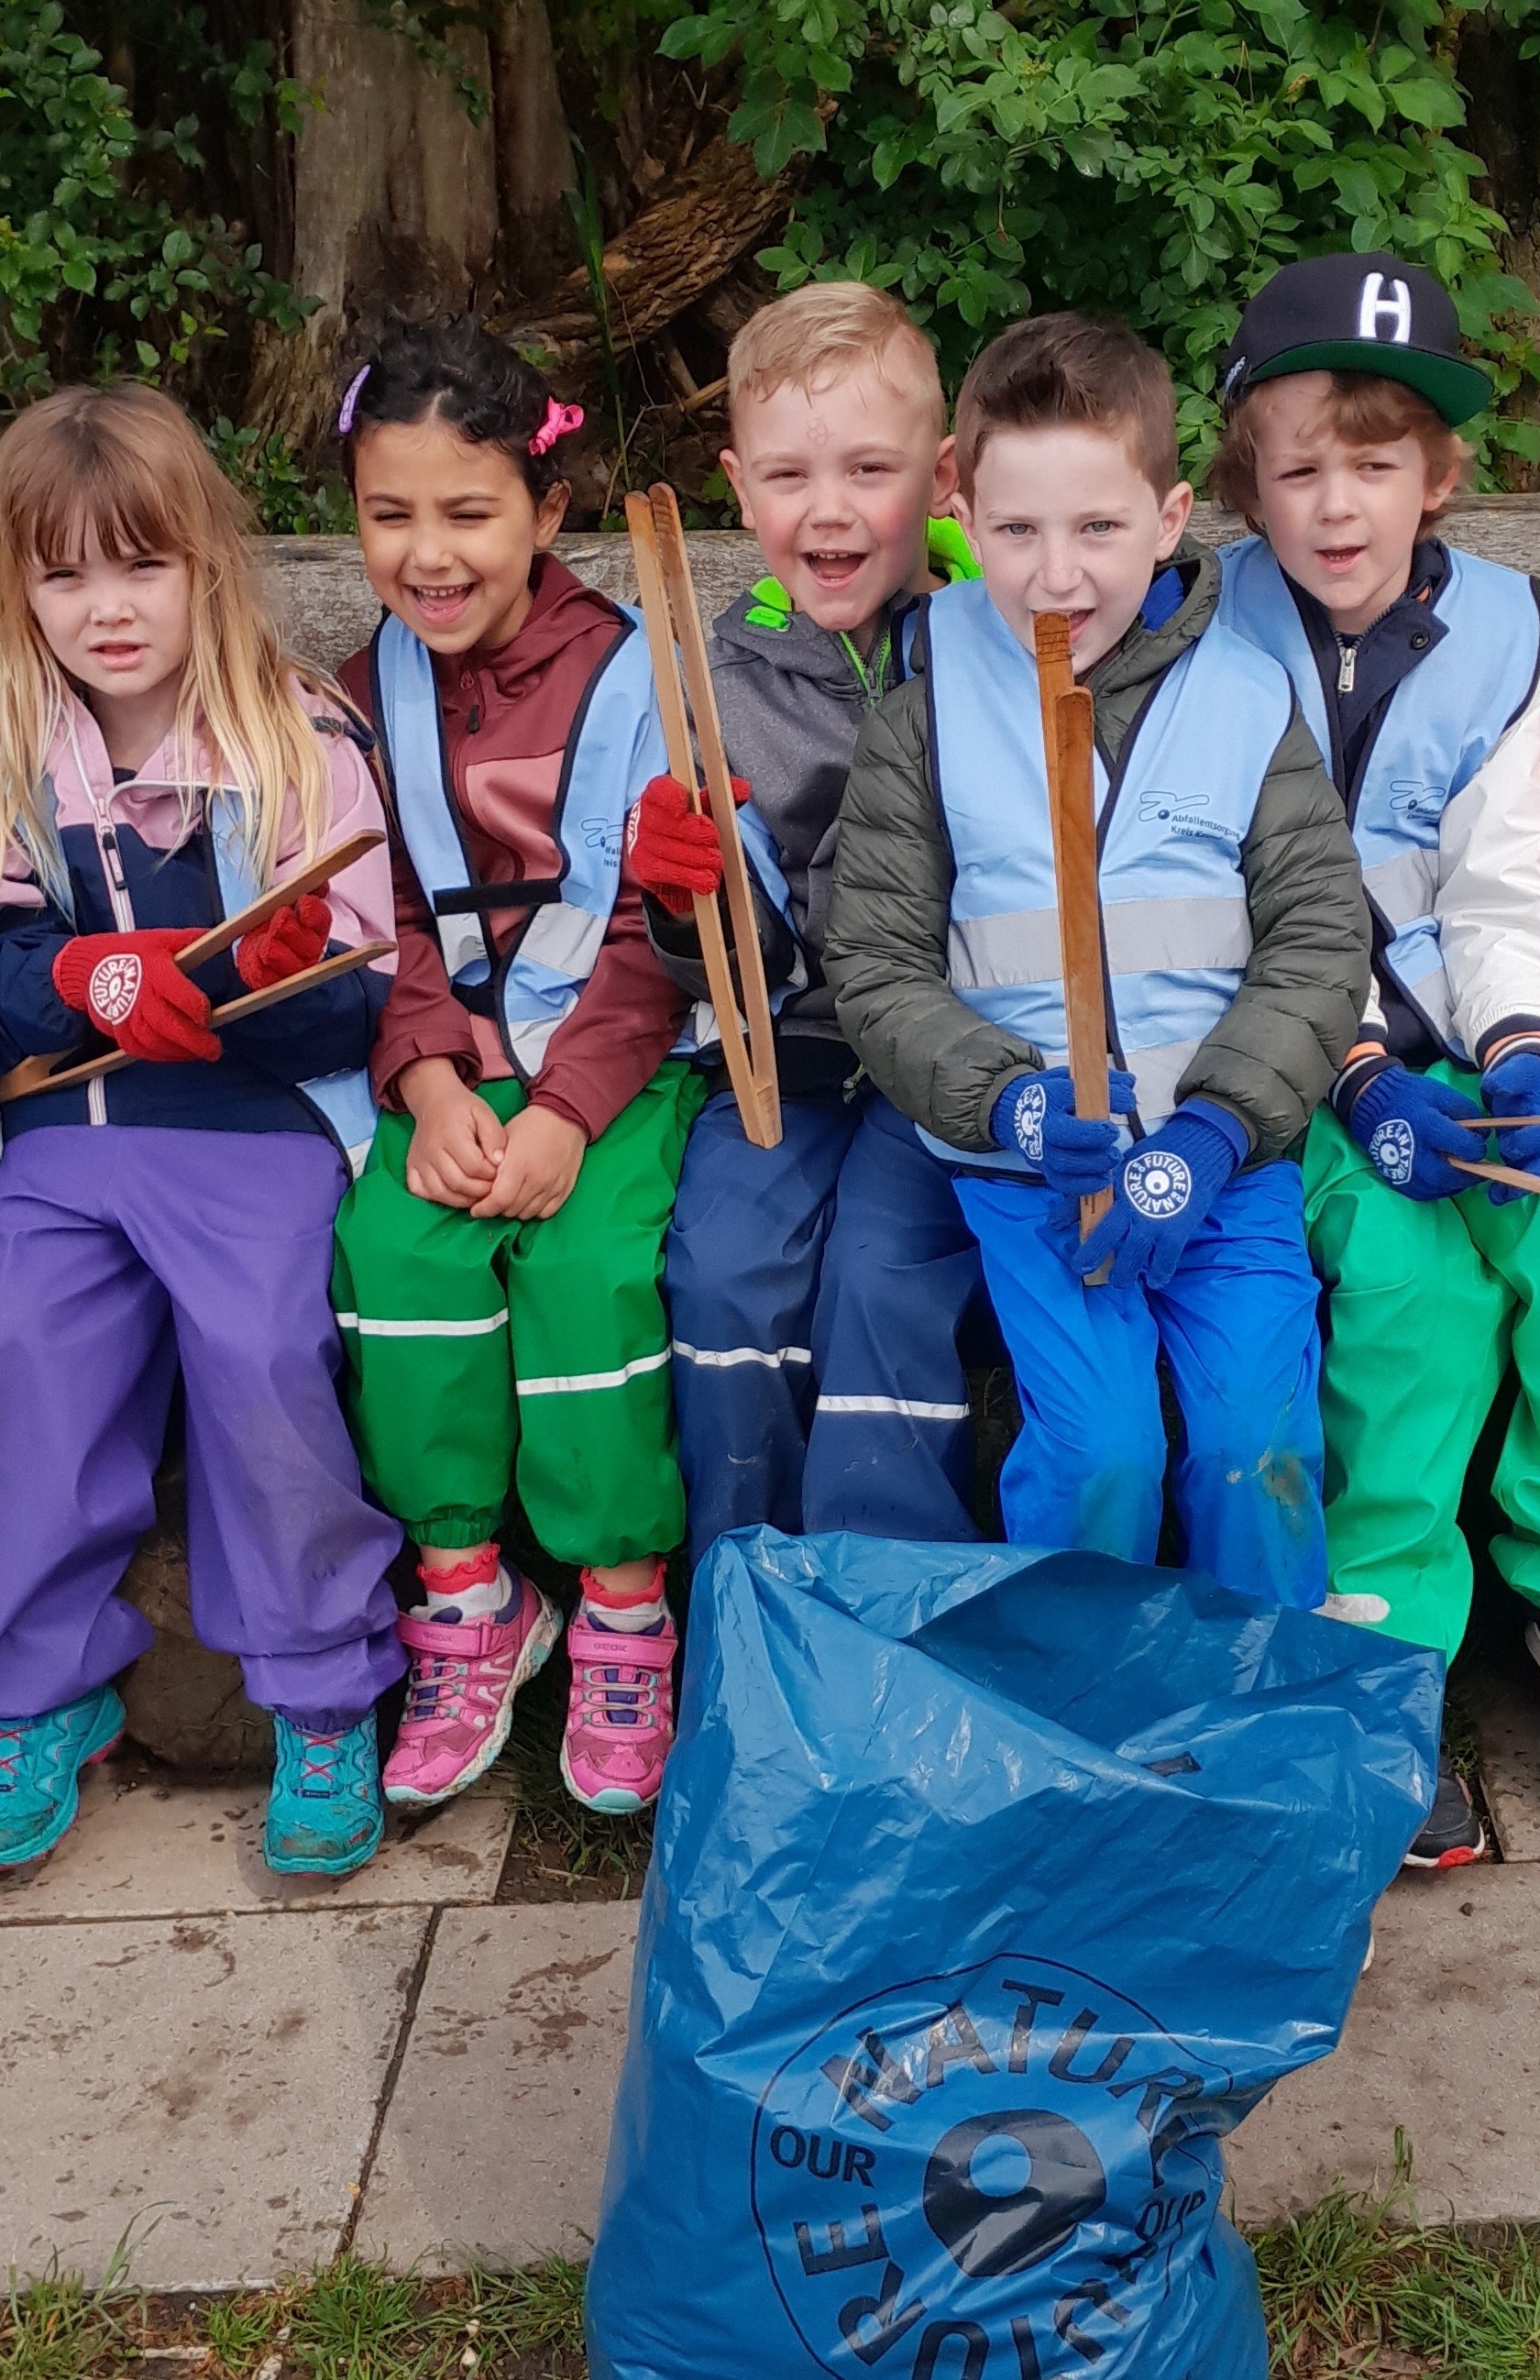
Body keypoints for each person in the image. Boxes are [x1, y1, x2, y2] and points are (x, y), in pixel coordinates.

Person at [1206, 254, 1540, 1844]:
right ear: (1248, 484)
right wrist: (1350, 1074)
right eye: (1301, 467)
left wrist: (1528, 1052)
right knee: (1414, 1294)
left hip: (1474, 1037)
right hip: (1302, 1062)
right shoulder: (1214, 631)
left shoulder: (1500, 635)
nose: (1340, 505)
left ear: (1442, 473)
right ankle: (1389, 1634)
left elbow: (1506, 868)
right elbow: (1229, 896)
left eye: (1379, 461)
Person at [0, 385, 403, 1878]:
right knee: (11, 1334)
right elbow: (0, 980)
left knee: (261, 1345)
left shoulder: (298, 738)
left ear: (205, 561)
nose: (108, 608)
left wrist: (265, 986)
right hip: (67, 1134)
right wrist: (76, 971)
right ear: (21, 593)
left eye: (141, 566)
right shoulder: (5, 754)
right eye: (64, 576)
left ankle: (324, 1690)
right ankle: (39, 1688)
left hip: (254, 1127)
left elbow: (358, 1001)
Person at [826, 312, 1369, 1609]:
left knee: (1257, 1449)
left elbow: (1316, 941)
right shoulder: (929, 703)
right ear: (963, 505)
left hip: (1226, 1162)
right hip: (1031, 1167)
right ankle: (1076, 1715)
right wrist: (1013, 1098)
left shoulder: (1248, 698)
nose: (1054, 575)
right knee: (1100, 1449)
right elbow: (880, 966)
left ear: (1173, 516)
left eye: (1099, 530)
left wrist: (1219, 1133)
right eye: (1015, 531)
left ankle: (1257, 1717)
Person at [330, 323, 716, 1822]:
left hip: (618, 1066)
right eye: (390, 513)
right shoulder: (362, 695)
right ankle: (468, 1591)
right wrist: (429, 1084)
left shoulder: (634, 679)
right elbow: (381, 915)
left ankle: (624, 1605)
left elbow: (653, 923)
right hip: (445, 1063)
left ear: (548, 511)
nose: (430, 553)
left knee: (592, 1267)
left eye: (468, 512)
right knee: (393, 1245)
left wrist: (560, 1112)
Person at [644, 282, 989, 1548]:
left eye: (870, 469)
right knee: (726, 1273)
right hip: (785, 1052)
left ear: (945, 476)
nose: (828, 509)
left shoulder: (998, 640)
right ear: (739, 487)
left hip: (955, 1052)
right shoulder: (710, 675)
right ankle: (750, 1593)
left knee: (877, 1279)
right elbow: (741, 959)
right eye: (788, 474)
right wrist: (688, 900)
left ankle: (884, 1611)